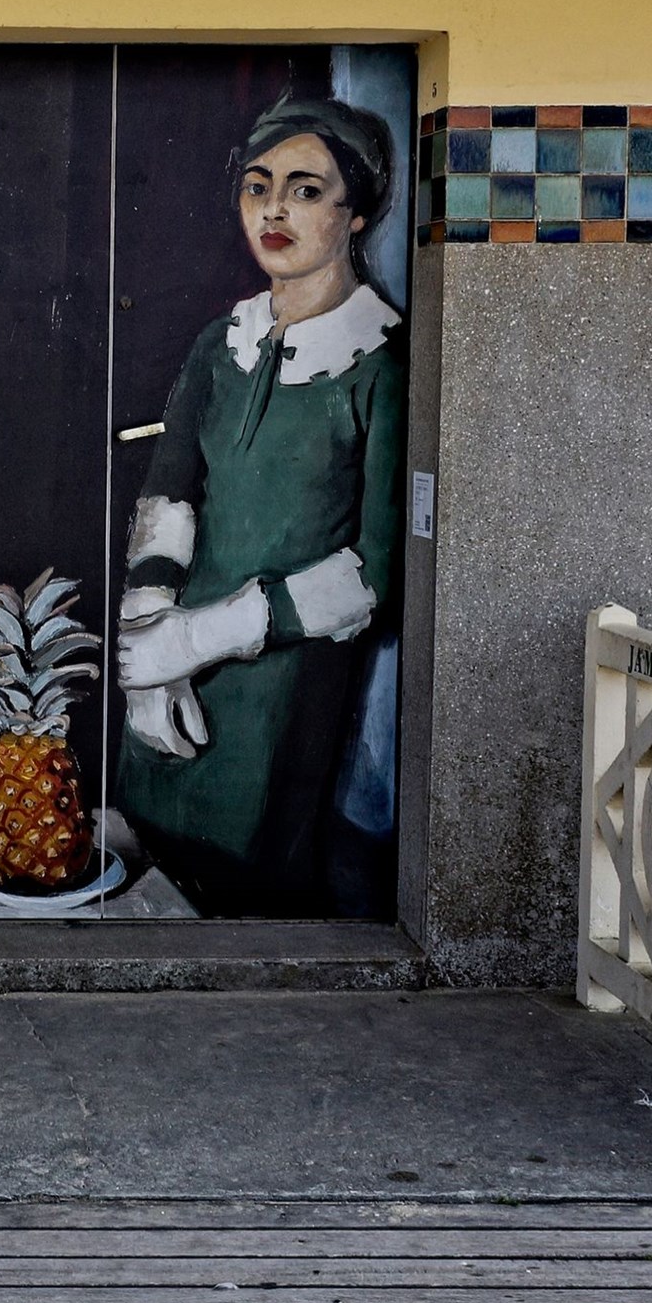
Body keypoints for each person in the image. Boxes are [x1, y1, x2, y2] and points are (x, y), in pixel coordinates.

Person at [112, 96, 405, 917]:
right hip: (171, 679)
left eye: (306, 190)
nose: (274, 208)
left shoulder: (382, 361)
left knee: (251, 891)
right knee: (148, 859)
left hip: (281, 695)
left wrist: (203, 636)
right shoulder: (221, 343)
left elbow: (373, 572)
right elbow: (170, 491)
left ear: (355, 216)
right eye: (257, 185)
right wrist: (147, 646)